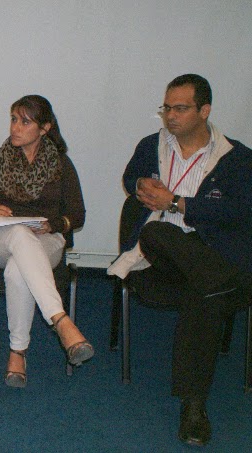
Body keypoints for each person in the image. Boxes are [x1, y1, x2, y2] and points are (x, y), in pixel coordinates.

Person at [108, 74, 252, 447]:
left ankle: (194, 405)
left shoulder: (237, 158)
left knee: (203, 293)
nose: (171, 116)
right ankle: (222, 281)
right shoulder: (151, 145)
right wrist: (140, 186)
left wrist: (177, 203)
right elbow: (131, 178)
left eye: (181, 108)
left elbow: (241, 212)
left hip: (209, 252)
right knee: (156, 233)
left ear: (204, 111)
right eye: (167, 108)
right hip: (161, 256)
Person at [0, 95, 92, 388]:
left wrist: (53, 224)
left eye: (25, 121)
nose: (15, 127)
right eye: (13, 119)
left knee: (18, 268)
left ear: (44, 128)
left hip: (44, 239)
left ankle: (17, 352)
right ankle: (61, 321)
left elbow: (77, 215)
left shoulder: (60, 164)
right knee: (20, 234)